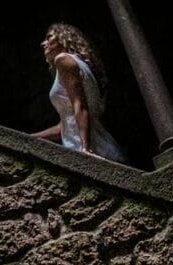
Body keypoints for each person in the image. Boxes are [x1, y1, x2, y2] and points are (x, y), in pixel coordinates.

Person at [31, 23, 126, 162]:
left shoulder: (63, 59)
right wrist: (31, 137)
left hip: (87, 147)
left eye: (49, 37)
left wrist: (85, 148)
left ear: (63, 38)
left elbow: (80, 105)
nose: (43, 43)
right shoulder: (79, 63)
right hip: (99, 144)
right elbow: (65, 125)